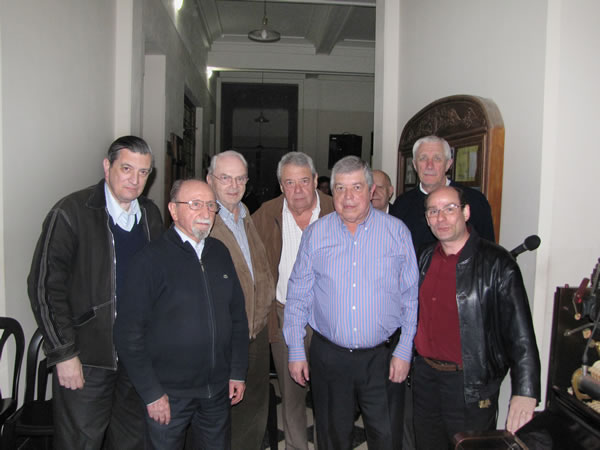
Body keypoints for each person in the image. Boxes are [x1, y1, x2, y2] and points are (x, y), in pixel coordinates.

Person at [27, 136, 163, 449]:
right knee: (81, 442)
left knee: (132, 442)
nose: (135, 179)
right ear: (107, 166)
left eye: (143, 172)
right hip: (88, 358)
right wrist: (64, 353)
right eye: (126, 168)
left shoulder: (150, 216)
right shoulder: (71, 212)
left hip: (137, 359)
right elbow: (44, 286)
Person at [284, 156, 419, 450]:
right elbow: (298, 295)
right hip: (330, 358)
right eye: (340, 188)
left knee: (387, 438)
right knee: (332, 439)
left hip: (383, 358)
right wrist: (295, 348)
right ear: (331, 192)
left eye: (357, 187)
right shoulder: (316, 234)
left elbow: (410, 297)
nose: (348, 197)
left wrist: (405, 349)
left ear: (371, 190)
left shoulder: (396, 232)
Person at [114, 179, 249, 449]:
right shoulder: (150, 260)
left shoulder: (220, 253)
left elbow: (237, 317)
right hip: (168, 395)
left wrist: (237, 371)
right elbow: (128, 334)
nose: (205, 213)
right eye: (195, 204)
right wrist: (151, 393)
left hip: (216, 392)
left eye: (210, 205)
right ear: (173, 210)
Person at [412, 186, 540, 449]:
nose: (441, 218)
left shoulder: (497, 263)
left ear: (466, 212)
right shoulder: (423, 256)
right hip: (425, 378)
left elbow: (521, 333)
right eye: (433, 211)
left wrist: (525, 391)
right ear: (427, 219)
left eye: (449, 209)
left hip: (470, 385)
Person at [253, 152, 334, 450]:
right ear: (281, 186)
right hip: (285, 313)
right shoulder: (266, 214)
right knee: (291, 393)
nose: (298, 190)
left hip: (330, 316)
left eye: (303, 181)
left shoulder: (336, 209)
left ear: (315, 180)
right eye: (290, 182)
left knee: (330, 393)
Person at [207, 151, 275, 449]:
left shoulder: (246, 214)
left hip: (255, 331)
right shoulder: (203, 219)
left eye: (240, 178)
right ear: (210, 180)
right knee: (220, 413)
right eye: (225, 178)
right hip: (222, 337)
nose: (233, 185)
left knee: (253, 409)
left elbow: (257, 269)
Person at [390, 135, 495, 252]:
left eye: (437, 159)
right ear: (414, 165)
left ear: (448, 164)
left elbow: (488, 252)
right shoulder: (402, 204)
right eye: (423, 158)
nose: (429, 165)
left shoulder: (474, 200)